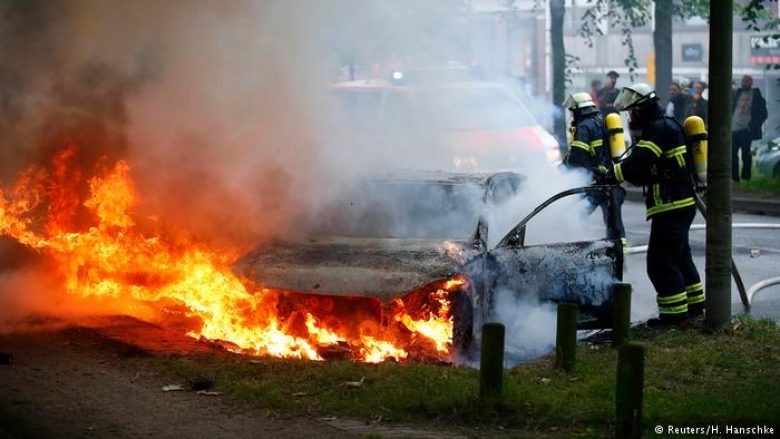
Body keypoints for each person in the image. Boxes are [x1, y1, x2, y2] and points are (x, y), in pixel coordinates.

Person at [609, 83, 704, 326]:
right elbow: (651, 169)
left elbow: (639, 162)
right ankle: (694, 309)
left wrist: (610, 174)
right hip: (681, 203)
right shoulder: (668, 124)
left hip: (671, 205)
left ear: (642, 109)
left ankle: (673, 319)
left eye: (632, 112)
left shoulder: (657, 129)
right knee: (680, 259)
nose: (630, 116)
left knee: (660, 264)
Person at [562, 92, 625, 245]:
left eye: (572, 111)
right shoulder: (602, 120)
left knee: (576, 214)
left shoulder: (584, 126)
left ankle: (578, 245)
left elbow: (577, 157)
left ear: (578, 109)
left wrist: (563, 167)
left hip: (594, 181)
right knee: (613, 221)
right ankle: (619, 251)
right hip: (610, 179)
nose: (572, 115)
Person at [731, 75, 768, 182]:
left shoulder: (756, 95)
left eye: (747, 81)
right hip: (734, 129)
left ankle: (746, 177)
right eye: (743, 81)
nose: (744, 83)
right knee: (733, 155)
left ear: (751, 83)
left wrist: (751, 126)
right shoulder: (737, 93)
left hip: (746, 130)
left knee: (746, 155)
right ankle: (734, 178)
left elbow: (763, 114)